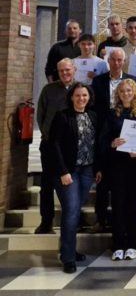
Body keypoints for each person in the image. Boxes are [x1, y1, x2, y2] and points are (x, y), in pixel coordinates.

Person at [49, 83, 101, 273]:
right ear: (71, 97)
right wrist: (63, 172)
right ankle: (68, 258)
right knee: (70, 212)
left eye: (84, 95)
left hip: (87, 171)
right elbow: (53, 145)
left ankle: (69, 249)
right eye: (77, 95)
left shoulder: (93, 116)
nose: (81, 99)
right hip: (68, 172)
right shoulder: (62, 116)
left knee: (76, 211)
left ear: (89, 97)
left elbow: (96, 145)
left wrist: (98, 168)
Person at [100, 80, 136, 261]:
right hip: (117, 165)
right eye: (122, 91)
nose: (125, 93)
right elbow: (104, 139)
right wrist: (112, 143)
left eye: (129, 90)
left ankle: (132, 243)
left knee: (134, 205)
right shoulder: (111, 113)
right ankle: (118, 245)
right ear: (117, 94)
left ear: (135, 91)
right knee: (118, 205)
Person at [90, 48, 136, 232]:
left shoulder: (132, 80)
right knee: (102, 178)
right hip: (105, 131)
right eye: (113, 60)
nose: (117, 63)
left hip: (125, 132)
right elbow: (94, 106)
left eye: (120, 60)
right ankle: (100, 218)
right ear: (108, 61)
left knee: (122, 180)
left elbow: (135, 104)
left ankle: (122, 220)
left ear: (124, 62)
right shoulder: (98, 81)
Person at [35, 58, 78, 234]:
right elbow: (41, 115)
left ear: (74, 70)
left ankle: (76, 218)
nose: (65, 73)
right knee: (46, 185)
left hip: (72, 148)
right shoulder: (48, 90)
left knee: (73, 185)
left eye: (68, 70)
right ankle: (46, 220)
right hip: (50, 146)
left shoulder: (80, 89)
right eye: (61, 71)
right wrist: (47, 136)